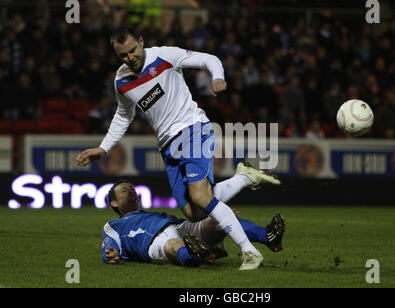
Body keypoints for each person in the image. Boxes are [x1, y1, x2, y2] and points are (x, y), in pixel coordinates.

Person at [76, 27, 281, 270]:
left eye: (132, 50)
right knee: (194, 213)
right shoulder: (121, 80)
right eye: (123, 55)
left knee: (200, 196)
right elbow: (123, 115)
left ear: (141, 42)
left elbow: (208, 58)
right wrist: (104, 148)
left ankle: (250, 252)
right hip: (167, 146)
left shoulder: (164, 56)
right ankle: (245, 177)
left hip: (193, 129)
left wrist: (217, 76)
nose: (130, 57)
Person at [102, 180, 286, 267]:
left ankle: (269, 236)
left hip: (180, 227)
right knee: (175, 245)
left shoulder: (152, 214)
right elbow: (109, 250)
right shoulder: (113, 225)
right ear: (114, 203)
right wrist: (110, 254)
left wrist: (223, 216)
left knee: (219, 219)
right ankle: (195, 255)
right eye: (125, 191)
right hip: (152, 242)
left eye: (133, 189)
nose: (132, 192)